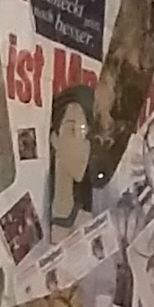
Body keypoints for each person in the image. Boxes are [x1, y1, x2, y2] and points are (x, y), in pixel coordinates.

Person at [43, 85, 96, 235]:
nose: (82, 145)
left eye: (85, 134)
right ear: (54, 138)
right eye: (72, 130)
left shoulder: (86, 223)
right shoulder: (39, 213)